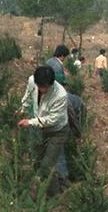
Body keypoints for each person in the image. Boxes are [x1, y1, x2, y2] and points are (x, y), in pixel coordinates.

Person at [18, 66, 70, 197]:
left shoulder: (60, 95)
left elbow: (52, 120)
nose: (42, 89)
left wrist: (30, 122)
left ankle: (54, 196)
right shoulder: (32, 81)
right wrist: (22, 109)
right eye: (40, 86)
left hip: (57, 131)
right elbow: (28, 97)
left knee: (47, 165)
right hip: (39, 128)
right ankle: (41, 190)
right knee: (36, 160)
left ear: (51, 84)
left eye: (45, 87)